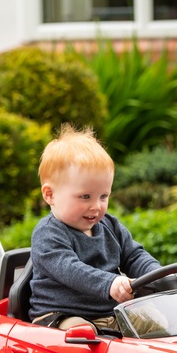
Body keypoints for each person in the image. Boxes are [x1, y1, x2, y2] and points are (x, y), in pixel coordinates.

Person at [29, 124, 161, 332]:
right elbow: (71, 270)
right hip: (61, 314)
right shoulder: (48, 234)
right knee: (82, 335)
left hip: (110, 311)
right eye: (85, 197)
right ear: (50, 195)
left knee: (157, 321)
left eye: (103, 196)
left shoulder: (110, 225)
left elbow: (134, 255)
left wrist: (157, 274)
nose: (96, 206)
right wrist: (111, 283)